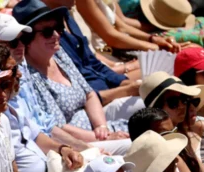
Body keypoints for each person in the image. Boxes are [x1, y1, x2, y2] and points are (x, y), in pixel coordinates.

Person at [19, 3, 130, 150]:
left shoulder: (58, 54)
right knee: (134, 144)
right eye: (47, 32)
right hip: (78, 144)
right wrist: (101, 137)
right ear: (27, 40)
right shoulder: (29, 76)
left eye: (58, 28)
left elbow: (89, 94)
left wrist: (101, 127)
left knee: (145, 110)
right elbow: (58, 127)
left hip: (97, 125)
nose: (56, 35)